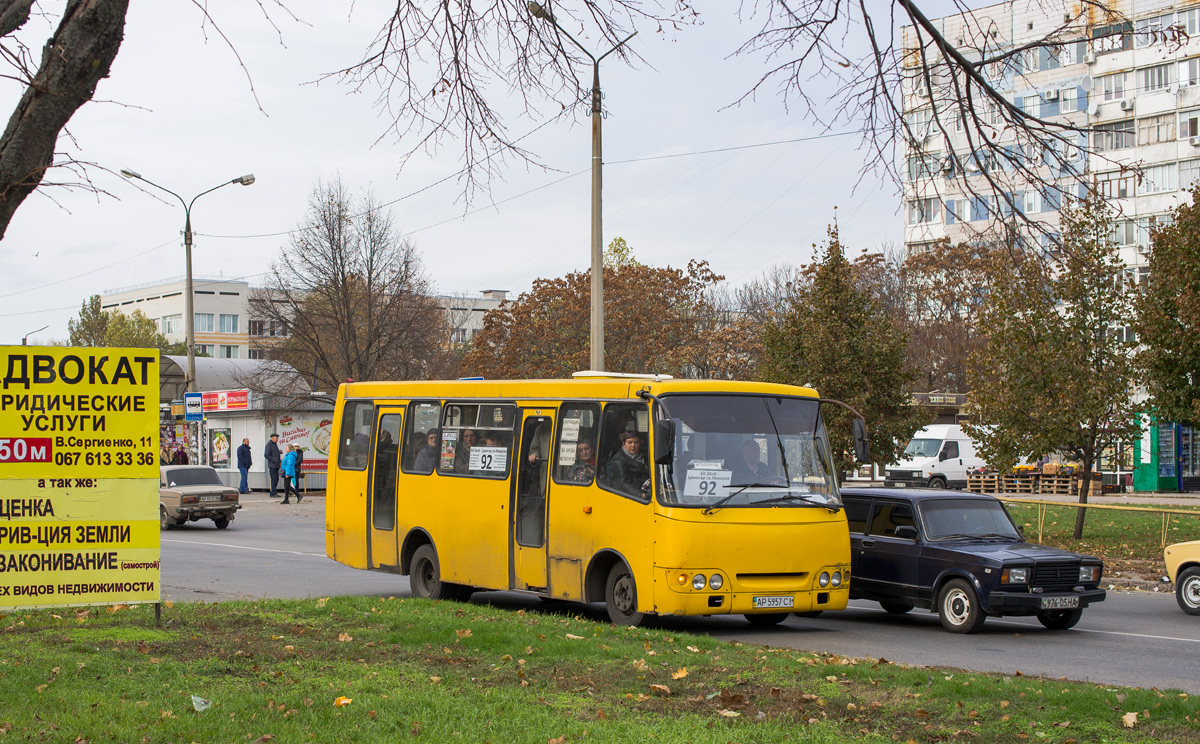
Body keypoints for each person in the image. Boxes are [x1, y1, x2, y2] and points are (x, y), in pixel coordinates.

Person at [606, 431, 649, 497]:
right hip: (632, 497)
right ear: (623, 443)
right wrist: (641, 495)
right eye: (630, 442)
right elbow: (622, 484)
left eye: (636, 442)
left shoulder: (644, 457)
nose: (633, 445)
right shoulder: (618, 461)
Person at [264, 433, 282, 498]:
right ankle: (273, 493)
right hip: (273, 465)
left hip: (276, 465)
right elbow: (266, 454)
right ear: (272, 438)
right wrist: (273, 460)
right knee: (274, 479)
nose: (277, 439)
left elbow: (273, 452)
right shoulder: (269, 444)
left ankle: (274, 492)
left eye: (277, 438)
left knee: (276, 479)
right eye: (276, 438)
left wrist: (278, 452)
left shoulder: (274, 444)